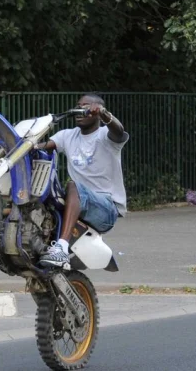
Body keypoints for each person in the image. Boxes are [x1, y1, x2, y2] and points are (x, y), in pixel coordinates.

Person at [36, 94, 129, 268]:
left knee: (72, 185)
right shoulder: (67, 136)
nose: (80, 110)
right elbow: (40, 147)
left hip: (106, 208)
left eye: (86, 107)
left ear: (96, 111)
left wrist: (104, 114)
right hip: (81, 202)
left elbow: (118, 130)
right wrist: (26, 145)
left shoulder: (106, 137)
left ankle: (61, 248)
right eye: (78, 106)